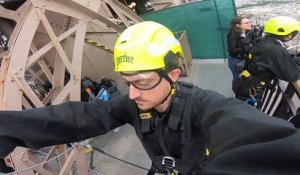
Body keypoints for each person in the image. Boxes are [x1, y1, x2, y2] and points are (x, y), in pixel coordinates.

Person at [1, 21, 300, 175]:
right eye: (127, 83)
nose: (132, 94)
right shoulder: (132, 104)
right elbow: (81, 117)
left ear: (172, 74)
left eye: (142, 83)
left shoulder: (205, 106)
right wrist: (9, 128)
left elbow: (247, 133)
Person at [233, 16, 300, 106]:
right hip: (251, 90)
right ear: (289, 36)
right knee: (249, 116)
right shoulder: (276, 50)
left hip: (244, 83)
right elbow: (293, 77)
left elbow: (271, 58)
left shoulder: (262, 41)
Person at [227, 16, 259, 88]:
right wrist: (248, 47)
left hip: (247, 58)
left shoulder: (249, 32)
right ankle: (237, 91)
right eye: (246, 23)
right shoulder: (232, 35)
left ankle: (245, 90)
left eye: (249, 22)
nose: (249, 24)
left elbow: (258, 39)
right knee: (238, 77)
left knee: (246, 75)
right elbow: (232, 50)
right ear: (238, 25)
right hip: (237, 61)